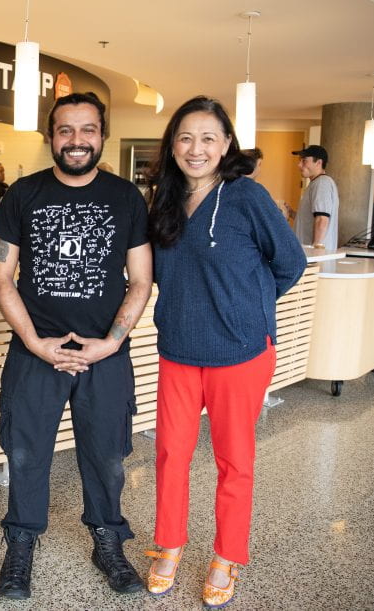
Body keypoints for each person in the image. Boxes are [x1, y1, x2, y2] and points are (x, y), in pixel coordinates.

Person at [0, 92, 153, 600]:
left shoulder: (126, 198)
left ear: (102, 135)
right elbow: (1, 276)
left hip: (104, 358)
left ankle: (107, 539)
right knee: (25, 452)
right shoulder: (22, 193)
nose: (76, 140)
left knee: (106, 456)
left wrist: (110, 342)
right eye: (66, 130)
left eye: (87, 130)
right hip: (35, 354)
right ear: (51, 136)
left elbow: (141, 281)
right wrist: (35, 343)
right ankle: (20, 544)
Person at [143, 96, 306, 607]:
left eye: (208, 138)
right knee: (171, 455)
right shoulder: (163, 201)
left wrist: (246, 309)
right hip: (178, 349)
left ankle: (226, 555)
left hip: (239, 353)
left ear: (226, 145)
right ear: (172, 144)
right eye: (186, 138)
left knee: (234, 461)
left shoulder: (246, 197)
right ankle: (169, 545)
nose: (197, 148)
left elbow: (291, 262)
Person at [289, 144, 339, 251]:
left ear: (319, 163)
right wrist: (291, 212)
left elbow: (322, 219)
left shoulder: (322, 183)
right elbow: (311, 218)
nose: (299, 165)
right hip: (308, 254)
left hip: (314, 257)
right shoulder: (316, 184)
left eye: (304, 161)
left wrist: (315, 253)